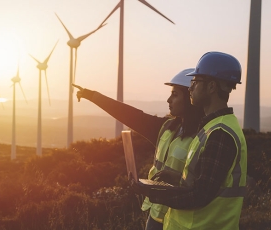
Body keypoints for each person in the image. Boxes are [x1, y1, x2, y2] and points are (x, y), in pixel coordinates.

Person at [73, 68, 205, 230]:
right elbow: (130, 115)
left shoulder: (203, 136)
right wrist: (92, 95)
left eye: (175, 94)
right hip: (157, 214)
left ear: (190, 97)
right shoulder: (166, 128)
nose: (169, 99)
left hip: (183, 220)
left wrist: (174, 179)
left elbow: (201, 186)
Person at [131, 51, 248, 230]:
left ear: (211, 87)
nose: (190, 88)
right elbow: (208, 183)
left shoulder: (220, 134)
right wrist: (176, 177)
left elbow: (199, 195)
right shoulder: (211, 128)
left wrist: (153, 192)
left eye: (195, 82)